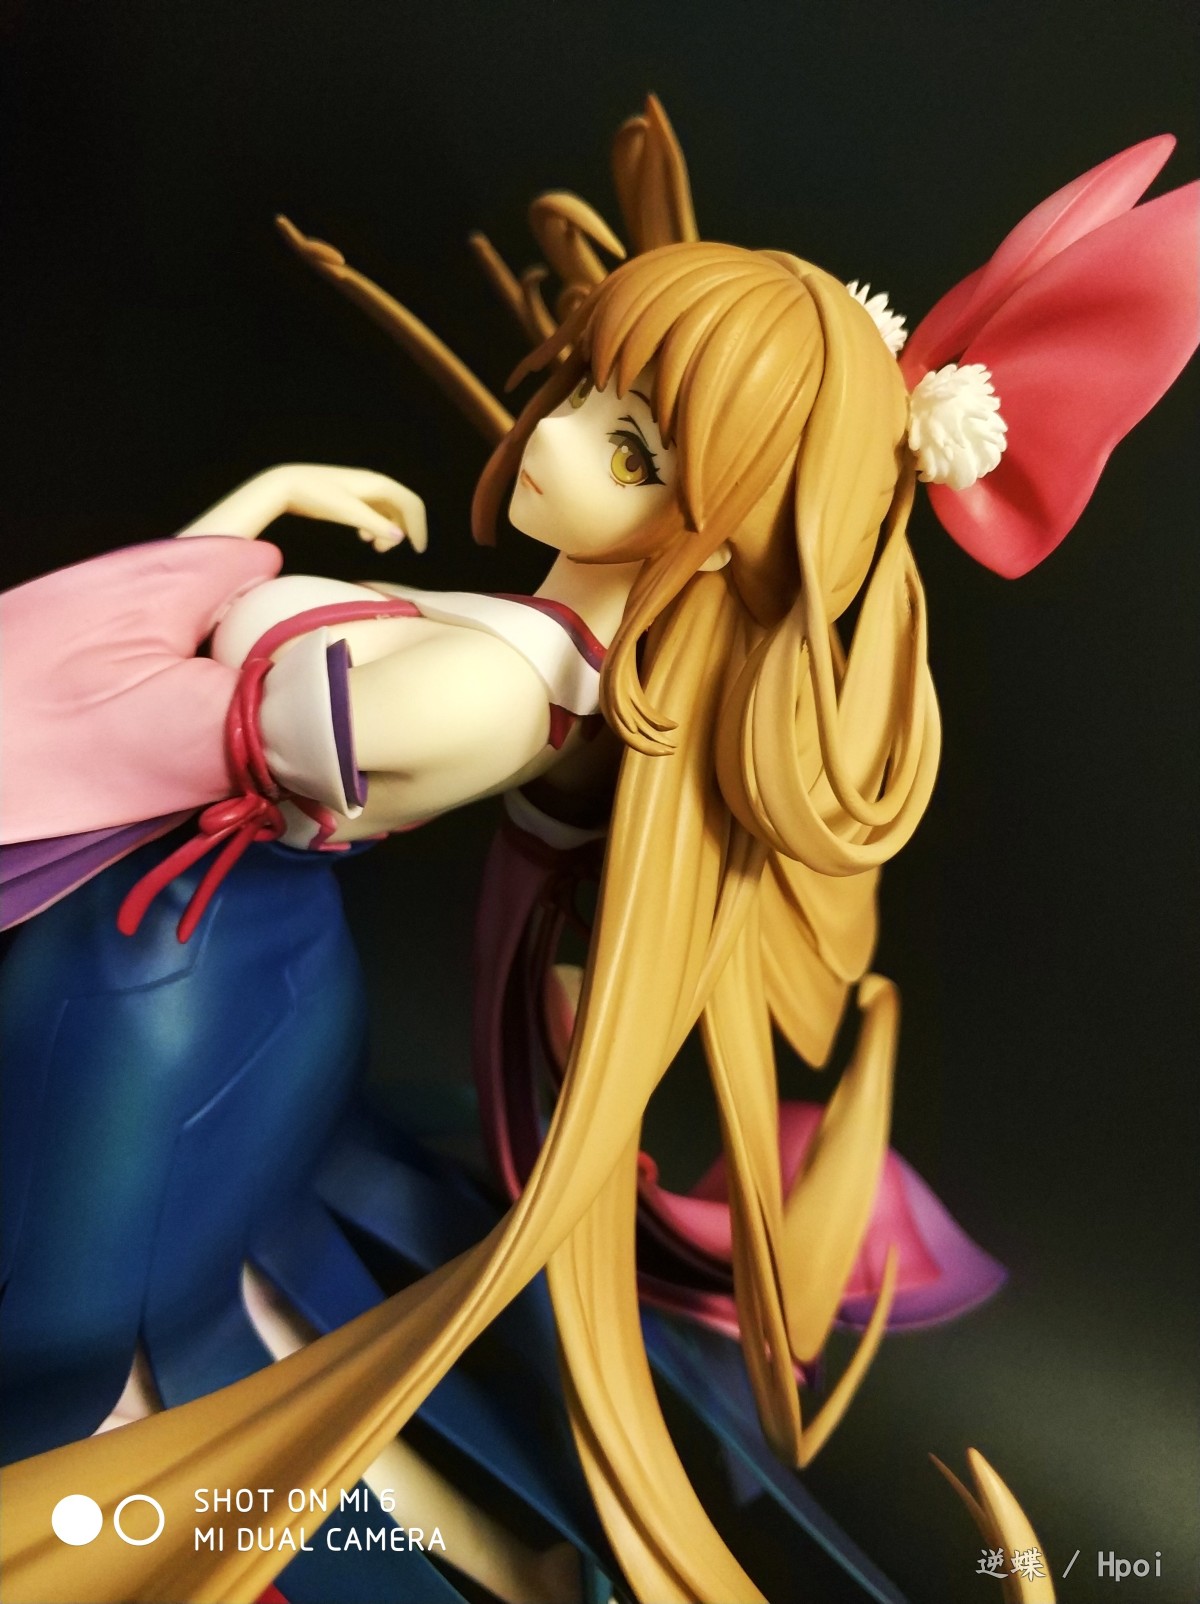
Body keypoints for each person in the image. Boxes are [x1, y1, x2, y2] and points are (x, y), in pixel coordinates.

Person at [1, 101, 1195, 1604]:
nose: (552, 434)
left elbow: (140, 720)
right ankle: (502, 1561)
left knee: (90, 1375)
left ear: (720, 526)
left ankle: (466, 1567)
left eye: (628, 442)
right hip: (192, 956)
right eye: (578, 384)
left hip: (157, 990)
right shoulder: (546, 652)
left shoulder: (492, 696)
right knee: (200, 1328)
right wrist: (262, 517)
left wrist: (233, 549)